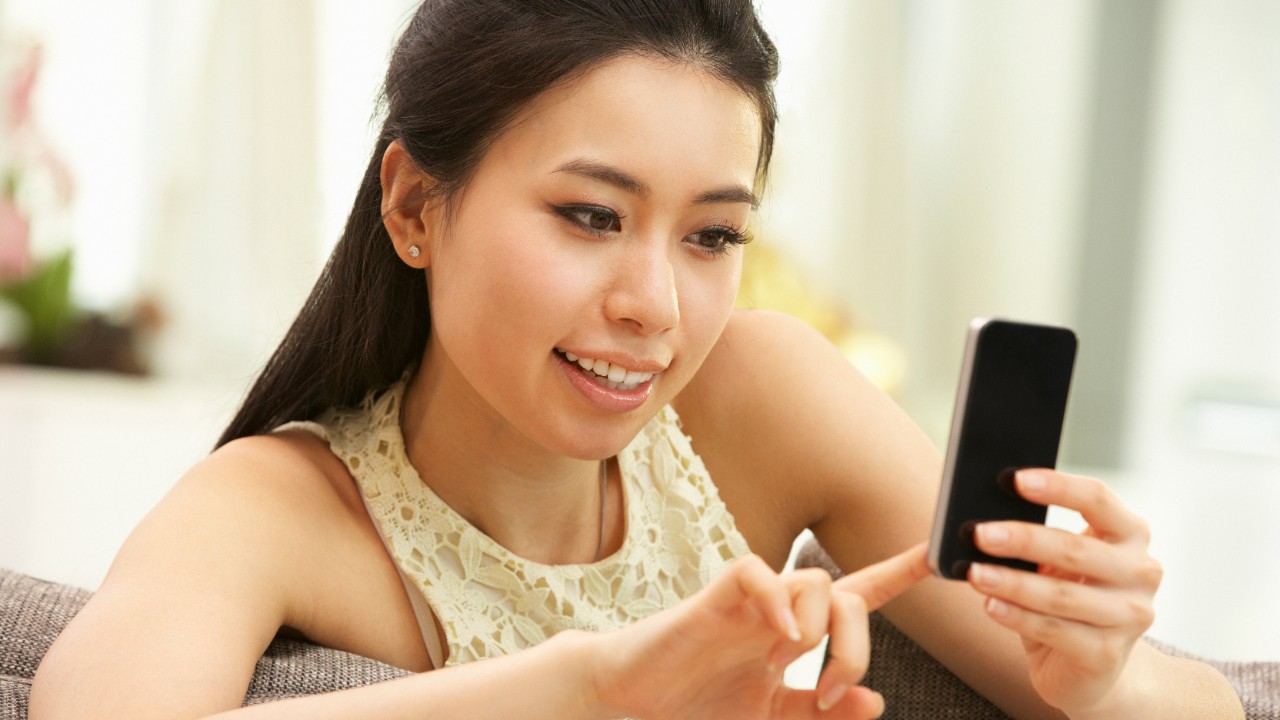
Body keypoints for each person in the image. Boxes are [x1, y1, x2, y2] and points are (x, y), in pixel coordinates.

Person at [31, 1, 1243, 718]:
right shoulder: (280, 507)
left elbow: (1193, 702)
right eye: (590, 216)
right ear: (412, 205)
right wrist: (592, 691)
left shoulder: (761, 397)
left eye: (712, 234)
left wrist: (1101, 679)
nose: (655, 305)